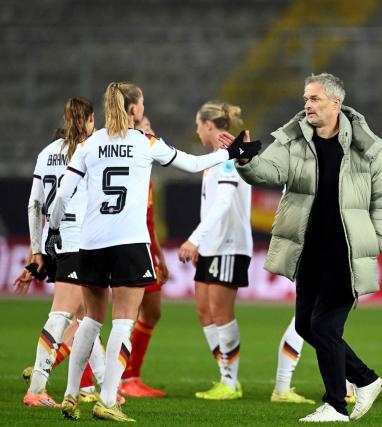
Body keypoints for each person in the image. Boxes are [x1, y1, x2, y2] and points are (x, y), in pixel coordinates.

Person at [45, 82, 260, 422]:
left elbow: (60, 197)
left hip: (91, 243)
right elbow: (191, 163)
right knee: (124, 322)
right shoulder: (145, 143)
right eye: (142, 103)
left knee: (89, 321)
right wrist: (231, 153)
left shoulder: (90, 144)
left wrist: (50, 233)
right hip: (129, 243)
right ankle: (108, 399)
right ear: (134, 110)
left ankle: (71, 395)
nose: (144, 108)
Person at [226, 72, 382, 422]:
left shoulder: (368, 146)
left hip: (345, 254)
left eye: (315, 99)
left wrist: (375, 239)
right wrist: (245, 160)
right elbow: (268, 171)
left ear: (336, 103)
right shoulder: (293, 139)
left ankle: (335, 405)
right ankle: (365, 380)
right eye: (305, 98)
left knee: (324, 327)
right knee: (306, 325)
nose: (307, 105)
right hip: (309, 253)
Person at [15, 98, 108, 407]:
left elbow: (34, 205)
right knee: (63, 314)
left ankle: (107, 385)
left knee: (86, 315)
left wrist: (37, 250)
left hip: (54, 242)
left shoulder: (47, 153)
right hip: (79, 241)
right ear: (91, 119)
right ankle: (37, 388)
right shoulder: (91, 151)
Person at [178, 101, 253, 401]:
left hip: (229, 245)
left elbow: (224, 203)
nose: (196, 130)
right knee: (204, 312)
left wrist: (195, 239)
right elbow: (211, 204)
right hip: (212, 244)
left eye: (198, 124)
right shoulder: (215, 158)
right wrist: (202, 242)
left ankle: (230, 382)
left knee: (221, 314)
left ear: (209, 125)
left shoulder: (227, 159)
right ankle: (225, 375)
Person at [119, 115, 169, 397]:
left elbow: (150, 219)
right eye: (146, 129)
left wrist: (159, 254)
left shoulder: (145, 171)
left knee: (150, 312)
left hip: (147, 247)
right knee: (127, 314)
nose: (152, 133)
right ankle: (118, 378)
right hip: (132, 246)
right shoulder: (131, 170)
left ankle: (129, 376)